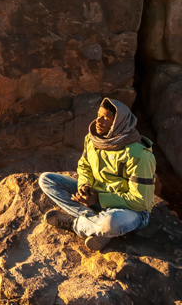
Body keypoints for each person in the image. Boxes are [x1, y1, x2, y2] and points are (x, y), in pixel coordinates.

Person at [38, 98, 156, 251]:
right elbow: (84, 165)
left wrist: (99, 198)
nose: (98, 121)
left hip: (130, 210)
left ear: (119, 123)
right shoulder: (94, 139)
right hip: (97, 196)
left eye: (106, 118)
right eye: (98, 115)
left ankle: (76, 224)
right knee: (47, 180)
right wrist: (84, 186)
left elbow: (141, 202)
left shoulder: (138, 155)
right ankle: (97, 226)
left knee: (111, 222)